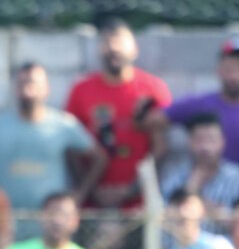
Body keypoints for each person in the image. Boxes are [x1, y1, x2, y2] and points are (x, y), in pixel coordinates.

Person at [0, 62, 105, 240]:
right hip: (7, 227)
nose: (27, 88)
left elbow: (99, 157)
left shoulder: (63, 125)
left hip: (51, 228)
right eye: (22, 83)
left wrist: (80, 194)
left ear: (46, 89)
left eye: (33, 82)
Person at [65, 18, 171, 209]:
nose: (113, 48)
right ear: (99, 49)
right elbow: (71, 146)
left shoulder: (153, 89)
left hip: (139, 204)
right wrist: (91, 190)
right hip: (93, 203)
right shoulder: (81, 90)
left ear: (134, 49)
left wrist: (130, 190)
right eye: (107, 42)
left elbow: (161, 147)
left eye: (120, 41)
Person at [162, 36, 239, 178]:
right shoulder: (200, 104)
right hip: (207, 186)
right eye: (228, 68)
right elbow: (157, 119)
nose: (234, 75)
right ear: (219, 70)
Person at [159, 113, 239, 213]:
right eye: (199, 140)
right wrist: (191, 186)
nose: (205, 147)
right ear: (189, 142)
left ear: (222, 141)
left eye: (211, 139)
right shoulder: (174, 175)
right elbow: (164, 213)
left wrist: (207, 207)